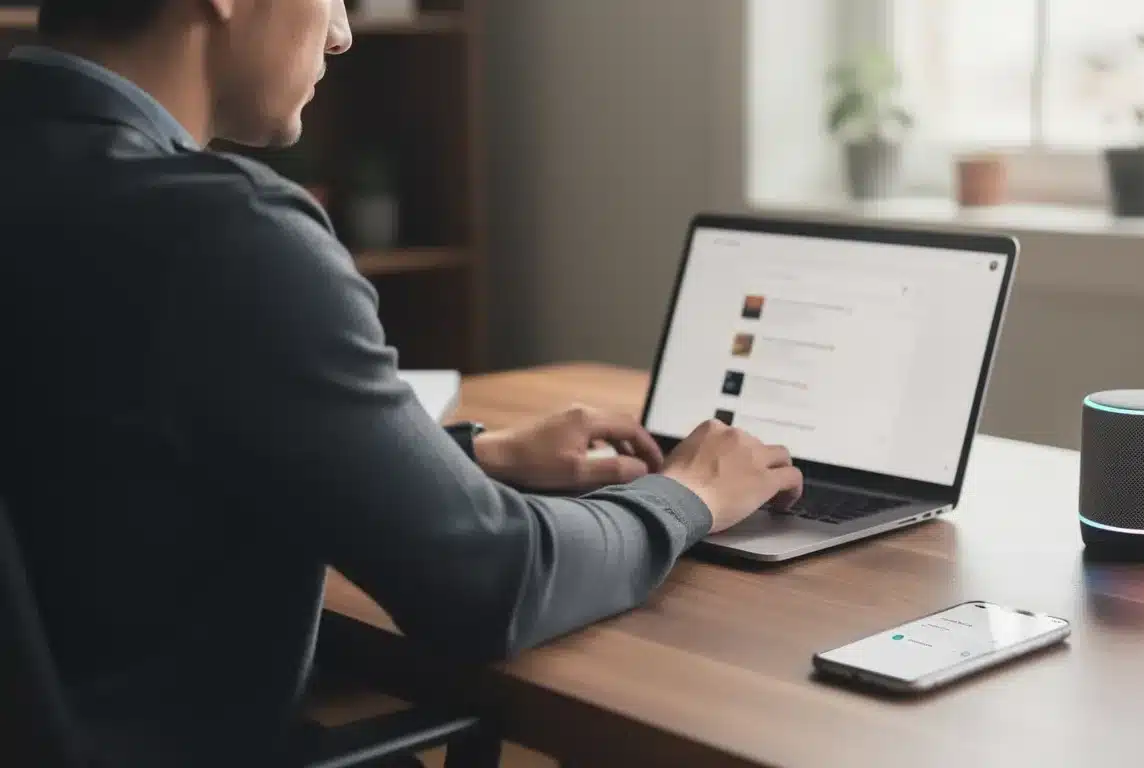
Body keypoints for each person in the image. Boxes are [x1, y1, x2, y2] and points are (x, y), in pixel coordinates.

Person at [0, 0, 803, 765]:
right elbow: (494, 585)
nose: (343, 32)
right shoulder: (220, 235)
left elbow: (89, 456)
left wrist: (464, 458)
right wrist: (689, 493)